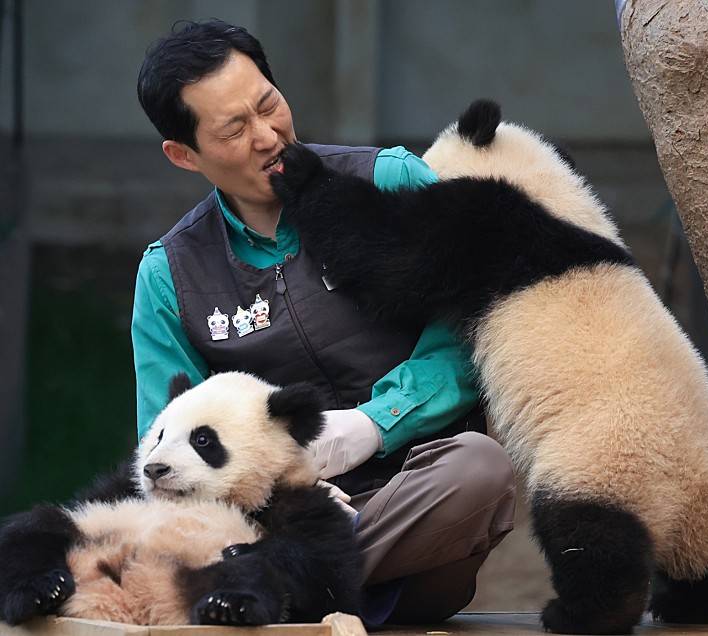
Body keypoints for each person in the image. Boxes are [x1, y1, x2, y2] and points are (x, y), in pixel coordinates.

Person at [133, 19, 515, 624]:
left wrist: (372, 424)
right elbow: (164, 459)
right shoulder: (168, 277)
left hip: (414, 500)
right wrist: (282, 496)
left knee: (480, 469)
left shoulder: (391, 182)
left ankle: (263, 591)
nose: (268, 137)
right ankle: (278, 585)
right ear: (184, 155)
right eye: (235, 128)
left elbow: (481, 331)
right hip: (271, 519)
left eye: (268, 106)